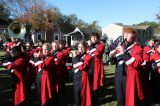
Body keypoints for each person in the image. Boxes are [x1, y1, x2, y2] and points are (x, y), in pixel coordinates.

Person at [110, 27, 144, 106]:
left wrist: (123, 53)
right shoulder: (121, 46)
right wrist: (111, 56)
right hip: (119, 76)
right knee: (120, 99)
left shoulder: (138, 48)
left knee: (129, 99)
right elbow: (114, 62)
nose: (125, 35)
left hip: (129, 77)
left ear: (134, 36)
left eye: (128, 34)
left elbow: (136, 63)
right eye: (124, 34)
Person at [71, 41, 93, 106]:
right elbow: (69, 66)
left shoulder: (88, 56)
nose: (80, 49)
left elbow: (82, 67)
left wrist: (74, 58)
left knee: (84, 97)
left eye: (82, 47)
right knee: (77, 97)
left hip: (84, 78)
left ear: (85, 48)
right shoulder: (77, 56)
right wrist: (69, 58)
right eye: (79, 47)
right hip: (76, 78)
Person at [88, 32, 105, 103]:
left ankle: (95, 99)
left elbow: (97, 53)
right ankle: (90, 97)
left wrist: (90, 47)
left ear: (98, 38)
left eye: (95, 37)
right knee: (89, 81)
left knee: (96, 82)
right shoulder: (89, 46)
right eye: (92, 37)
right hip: (89, 65)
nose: (94, 39)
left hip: (97, 65)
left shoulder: (101, 45)